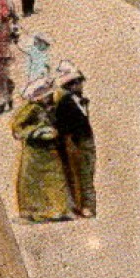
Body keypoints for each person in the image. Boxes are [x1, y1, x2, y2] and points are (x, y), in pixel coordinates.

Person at [10, 72, 71, 223]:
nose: (50, 98)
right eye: (47, 96)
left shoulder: (50, 107)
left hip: (50, 151)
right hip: (34, 153)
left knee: (56, 179)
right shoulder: (31, 109)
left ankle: (57, 210)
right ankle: (34, 211)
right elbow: (17, 129)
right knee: (32, 182)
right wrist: (37, 131)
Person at [52, 61, 96, 218]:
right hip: (75, 142)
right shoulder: (65, 102)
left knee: (88, 172)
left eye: (80, 81)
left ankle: (87, 205)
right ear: (70, 86)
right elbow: (61, 124)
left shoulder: (80, 100)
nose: (80, 85)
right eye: (76, 82)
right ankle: (85, 206)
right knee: (81, 174)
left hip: (86, 140)